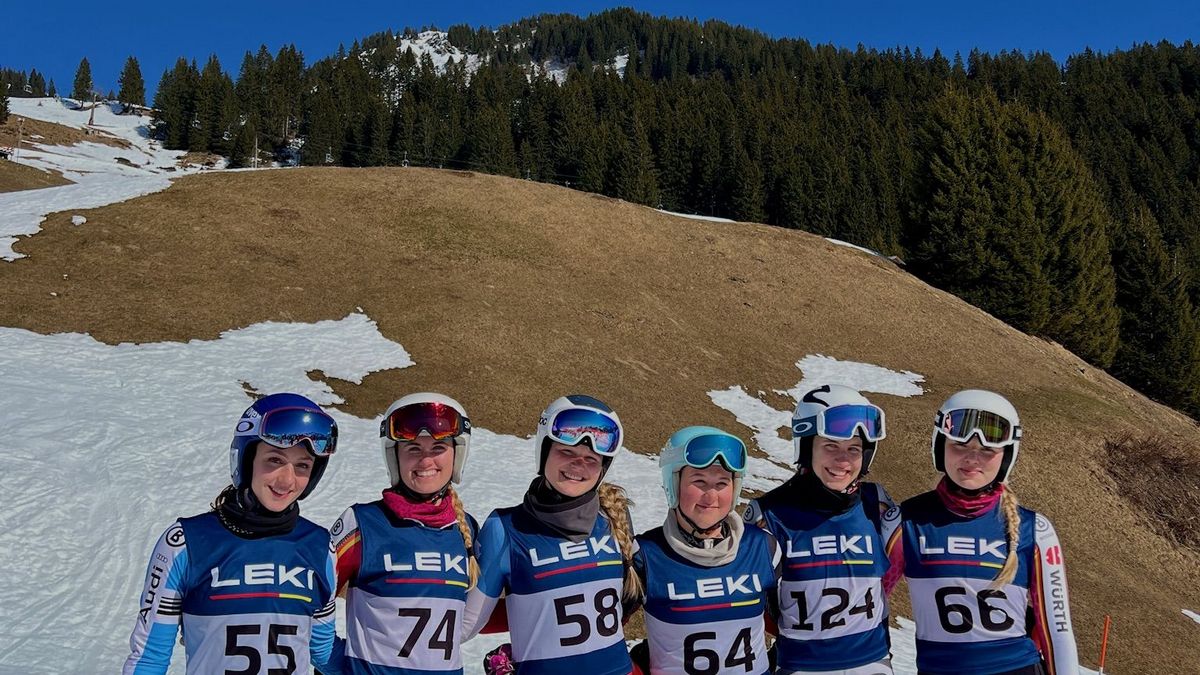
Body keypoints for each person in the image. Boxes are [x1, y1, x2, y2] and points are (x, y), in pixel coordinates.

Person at [123, 393, 340, 674]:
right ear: (246, 459)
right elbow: (149, 659)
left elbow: (323, 652)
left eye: (302, 466)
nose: (287, 480)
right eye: (274, 460)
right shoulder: (186, 543)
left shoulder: (320, 547)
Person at [881, 389, 1079, 675]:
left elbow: (1057, 632)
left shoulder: (1035, 530)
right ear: (940, 446)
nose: (972, 458)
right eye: (959, 445)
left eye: (987, 450)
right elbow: (868, 608)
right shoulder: (905, 521)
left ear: (1006, 456)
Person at [464, 395, 639, 675]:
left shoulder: (613, 518)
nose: (577, 465)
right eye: (566, 453)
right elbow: (465, 624)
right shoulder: (505, 528)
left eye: (591, 459)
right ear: (544, 450)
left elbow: (632, 598)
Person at [744, 384, 896, 675]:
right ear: (806, 445)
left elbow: (888, 575)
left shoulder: (876, 504)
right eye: (830, 446)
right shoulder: (770, 515)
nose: (843, 460)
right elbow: (754, 604)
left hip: (872, 663)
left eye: (854, 449)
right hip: (803, 665)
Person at [326, 392, 480, 674]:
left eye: (438, 447)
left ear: (457, 453)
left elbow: (481, 611)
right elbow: (310, 602)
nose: (426, 461)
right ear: (394, 457)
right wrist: (336, 663)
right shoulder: (363, 524)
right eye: (412, 449)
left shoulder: (466, 528)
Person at [630, 426, 780, 675]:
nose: (711, 496)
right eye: (699, 481)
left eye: (722, 483)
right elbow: (603, 639)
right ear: (674, 484)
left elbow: (795, 625)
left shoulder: (763, 547)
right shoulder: (645, 555)